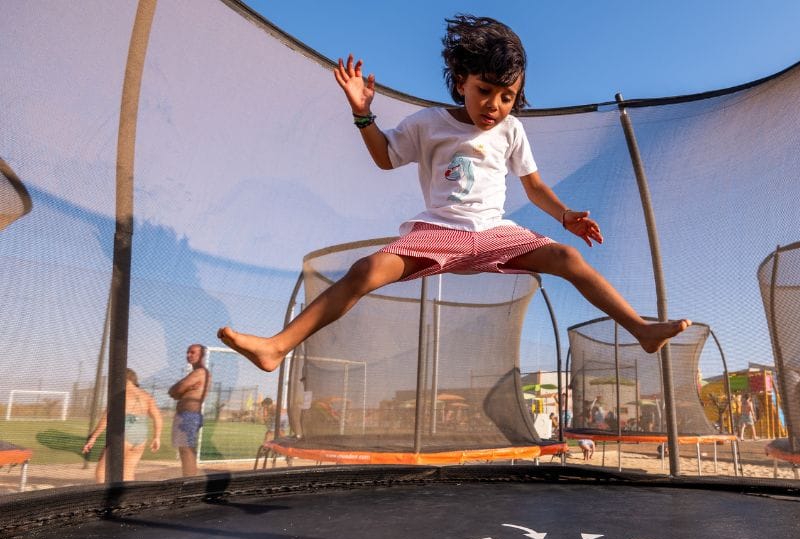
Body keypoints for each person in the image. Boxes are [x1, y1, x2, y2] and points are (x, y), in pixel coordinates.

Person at [216, 15, 690, 373]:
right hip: (439, 231)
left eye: (507, 97)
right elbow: (385, 156)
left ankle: (642, 330)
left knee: (568, 259)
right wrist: (363, 114)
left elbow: (534, 185)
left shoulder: (511, 131)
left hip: (494, 233)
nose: (495, 105)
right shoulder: (427, 123)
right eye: (485, 91)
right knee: (366, 270)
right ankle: (277, 347)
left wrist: (565, 216)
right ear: (460, 80)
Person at [82, 369, 163, 482]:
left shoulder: (120, 394)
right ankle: (127, 499)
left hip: (124, 433)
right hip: (141, 436)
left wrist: (93, 437)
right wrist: (156, 437)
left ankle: (101, 497)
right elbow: (157, 417)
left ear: (123, 379)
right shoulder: (147, 396)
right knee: (128, 474)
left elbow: (107, 418)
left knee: (102, 472)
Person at [168, 343, 210, 477]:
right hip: (185, 415)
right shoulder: (195, 372)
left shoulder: (200, 372)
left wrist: (181, 390)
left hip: (189, 415)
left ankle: (189, 482)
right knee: (184, 449)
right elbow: (173, 392)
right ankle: (187, 479)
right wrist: (180, 390)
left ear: (201, 355)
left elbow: (176, 390)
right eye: (188, 352)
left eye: (192, 352)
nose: (188, 355)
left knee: (187, 450)